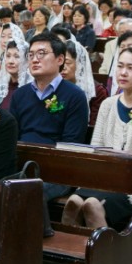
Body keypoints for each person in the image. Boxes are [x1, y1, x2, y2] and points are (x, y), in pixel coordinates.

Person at [61, 45, 132, 229]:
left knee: (92, 204)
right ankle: (71, 246)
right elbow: (96, 148)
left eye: (131, 68)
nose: (123, 72)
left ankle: (104, 247)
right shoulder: (108, 104)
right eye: (120, 66)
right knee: (74, 201)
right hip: (104, 179)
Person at [10, 32, 89, 205]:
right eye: (31, 55)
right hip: (23, 166)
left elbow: (71, 144)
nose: (34, 59)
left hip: (58, 172)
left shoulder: (75, 96)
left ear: (60, 59)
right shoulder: (20, 95)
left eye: (42, 53)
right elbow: (12, 137)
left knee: (26, 193)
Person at [61, 40, 106, 125]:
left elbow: (94, 125)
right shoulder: (54, 87)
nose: (63, 67)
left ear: (80, 63)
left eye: (67, 62)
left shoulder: (97, 91)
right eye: (60, 62)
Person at [0, 38, 31, 110]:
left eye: (17, 56)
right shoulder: (1, 88)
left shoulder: (30, 88)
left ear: (26, 61)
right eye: (8, 56)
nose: (10, 61)